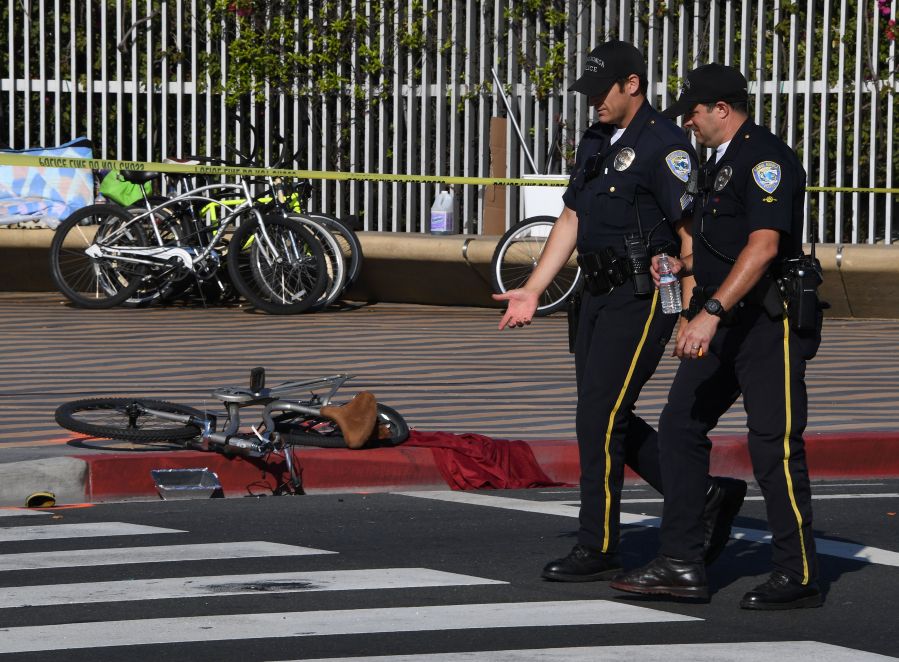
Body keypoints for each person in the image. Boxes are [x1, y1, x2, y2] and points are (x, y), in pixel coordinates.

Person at [493, 42, 747, 582]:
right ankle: (702, 494)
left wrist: (692, 309)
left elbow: (689, 236)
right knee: (601, 413)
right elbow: (570, 218)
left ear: (632, 84)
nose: (592, 104)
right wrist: (535, 289)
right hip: (595, 295)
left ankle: (598, 543)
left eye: (600, 92)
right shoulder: (595, 140)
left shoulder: (664, 145)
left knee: (599, 416)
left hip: (642, 296)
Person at [610, 63, 823, 609]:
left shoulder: (765, 159)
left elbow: (763, 248)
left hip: (764, 323)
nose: (688, 120)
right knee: (680, 424)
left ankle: (796, 574)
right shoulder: (715, 163)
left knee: (772, 444)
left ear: (722, 110)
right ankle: (681, 561)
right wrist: (687, 311)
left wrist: (709, 311)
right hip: (719, 317)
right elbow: (700, 250)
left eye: (695, 111)